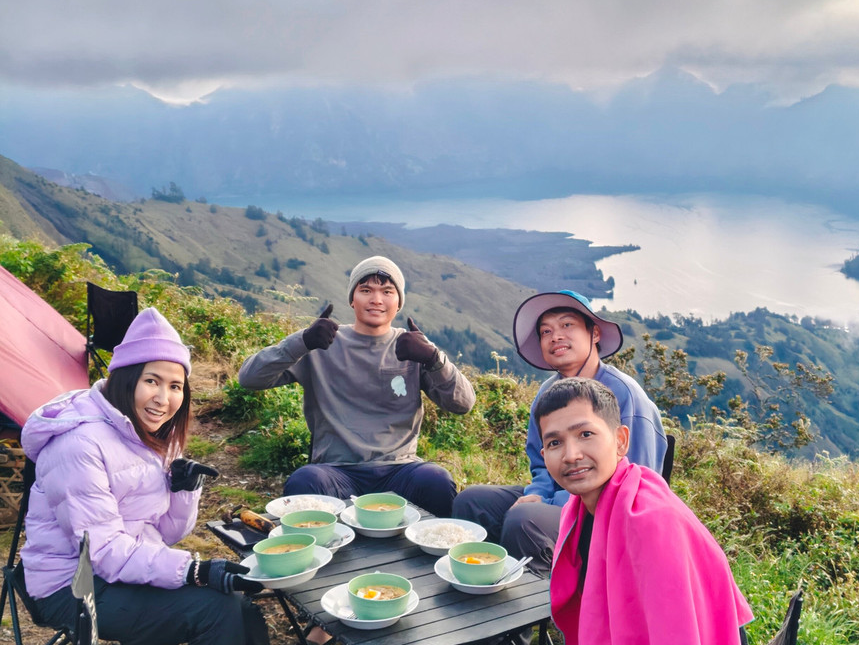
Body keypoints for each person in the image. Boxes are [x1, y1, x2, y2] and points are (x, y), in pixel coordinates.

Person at [20, 307, 269, 645]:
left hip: (121, 568)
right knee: (215, 609)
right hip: (72, 584)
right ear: (126, 378)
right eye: (151, 381)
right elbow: (103, 551)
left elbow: (164, 534)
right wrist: (194, 571)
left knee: (241, 607)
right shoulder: (78, 444)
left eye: (175, 386)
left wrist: (184, 491)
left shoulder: (152, 434)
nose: (163, 399)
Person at [237, 255, 475, 517]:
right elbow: (250, 379)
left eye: (387, 291)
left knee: (436, 480)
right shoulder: (321, 342)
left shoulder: (414, 348)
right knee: (304, 481)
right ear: (352, 299)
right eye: (365, 291)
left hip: (400, 469)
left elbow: (463, 404)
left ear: (399, 302)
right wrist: (302, 341)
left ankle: (430, 555)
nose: (376, 299)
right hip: (335, 471)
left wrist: (433, 358)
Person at [452, 290, 666, 573]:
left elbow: (637, 480)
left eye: (567, 325)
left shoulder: (624, 395)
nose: (555, 336)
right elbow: (540, 463)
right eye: (546, 331)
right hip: (563, 500)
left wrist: (548, 503)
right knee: (472, 501)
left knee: (525, 520)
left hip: (607, 515)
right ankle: (481, 581)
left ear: (595, 334)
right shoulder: (547, 393)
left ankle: (546, 608)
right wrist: (540, 494)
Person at [539, 378, 754, 645]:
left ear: (620, 441)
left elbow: (677, 633)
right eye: (555, 443)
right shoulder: (578, 510)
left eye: (585, 434)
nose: (570, 455)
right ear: (543, 454)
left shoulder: (651, 521)